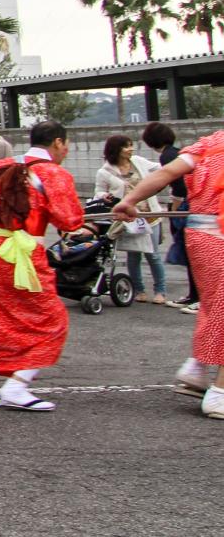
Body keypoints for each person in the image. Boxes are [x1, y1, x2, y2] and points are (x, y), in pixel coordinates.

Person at [0, 120, 84, 411]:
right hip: (24, 253)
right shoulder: (54, 174)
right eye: (66, 144)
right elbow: (70, 220)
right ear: (59, 143)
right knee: (51, 320)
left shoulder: (7, 164)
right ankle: (17, 384)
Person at [112, 129, 224, 420]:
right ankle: (220, 393)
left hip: (198, 234)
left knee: (214, 306)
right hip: (221, 233)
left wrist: (131, 200)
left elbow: (166, 173)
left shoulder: (210, 145)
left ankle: (197, 369)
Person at [96, 134, 165, 304]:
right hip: (128, 219)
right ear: (116, 150)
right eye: (126, 146)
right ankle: (139, 290)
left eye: (131, 145)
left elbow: (161, 169)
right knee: (134, 256)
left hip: (150, 215)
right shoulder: (105, 171)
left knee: (153, 255)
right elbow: (98, 191)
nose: (131, 149)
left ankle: (160, 291)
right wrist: (104, 196)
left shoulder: (139, 161)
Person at [143, 121, 197, 311]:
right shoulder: (177, 152)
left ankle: (196, 298)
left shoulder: (168, 156)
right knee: (190, 254)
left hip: (185, 207)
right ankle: (194, 296)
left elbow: (179, 186)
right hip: (191, 205)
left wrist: (175, 207)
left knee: (190, 253)